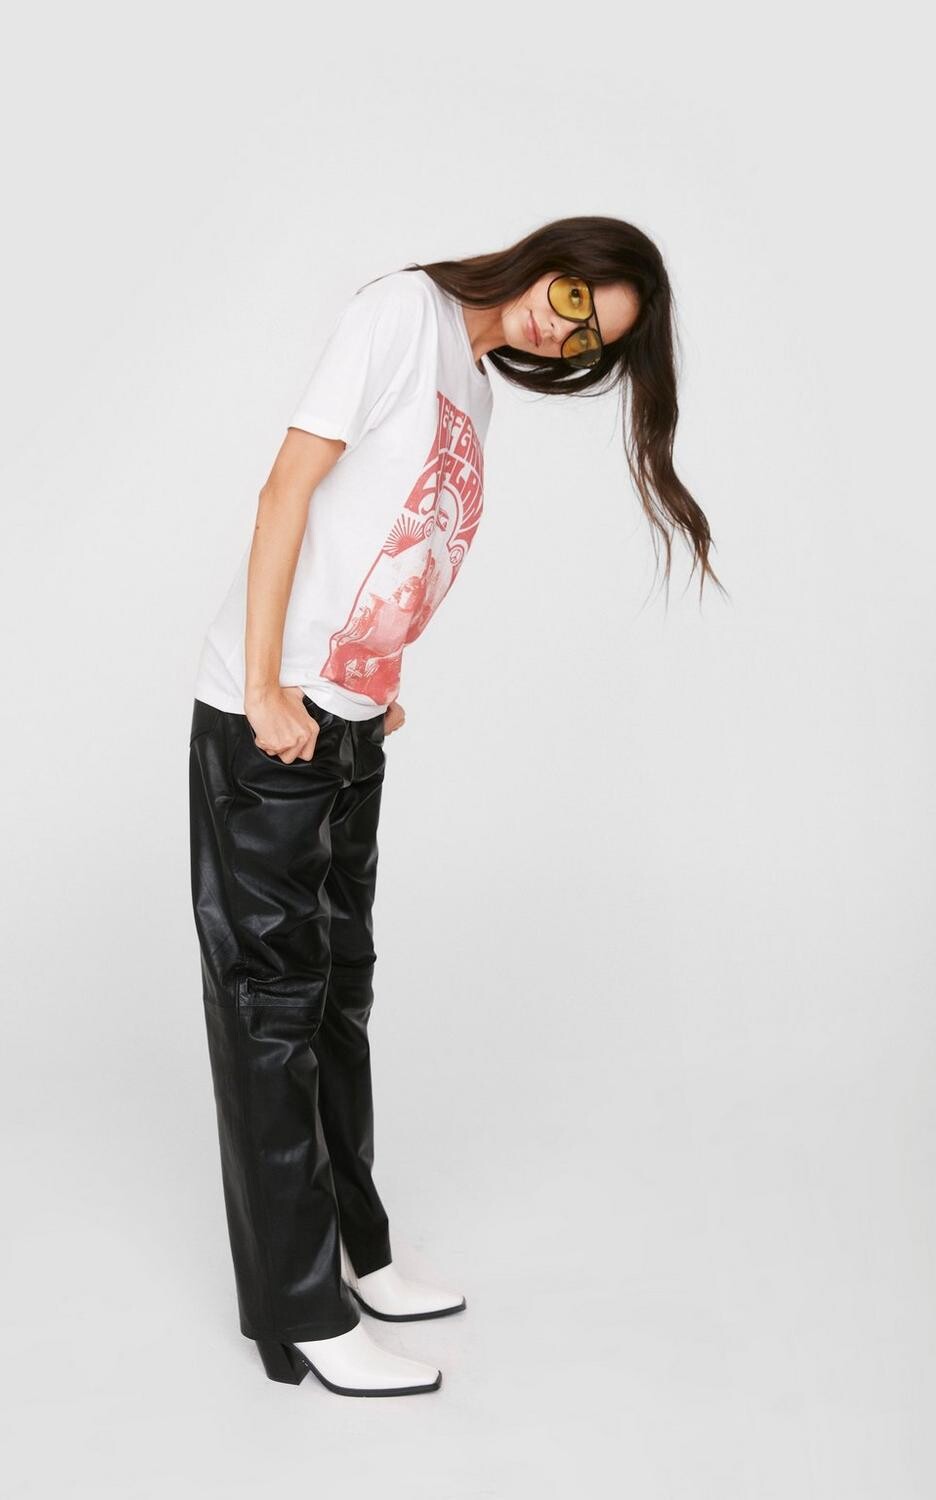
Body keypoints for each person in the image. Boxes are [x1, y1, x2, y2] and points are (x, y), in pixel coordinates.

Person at [187, 214, 724, 1399]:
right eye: (576, 299)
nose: (561, 330)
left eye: (588, 341)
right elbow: (287, 491)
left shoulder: (473, 385)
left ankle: (359, 1252)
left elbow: (392, 542)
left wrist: (374, 683)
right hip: (270, 720)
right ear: (556, 257)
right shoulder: (401, 313)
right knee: (272, 1010)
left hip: (346, 721)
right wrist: (268, 686)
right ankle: (299, 1312)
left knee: (339, 991)